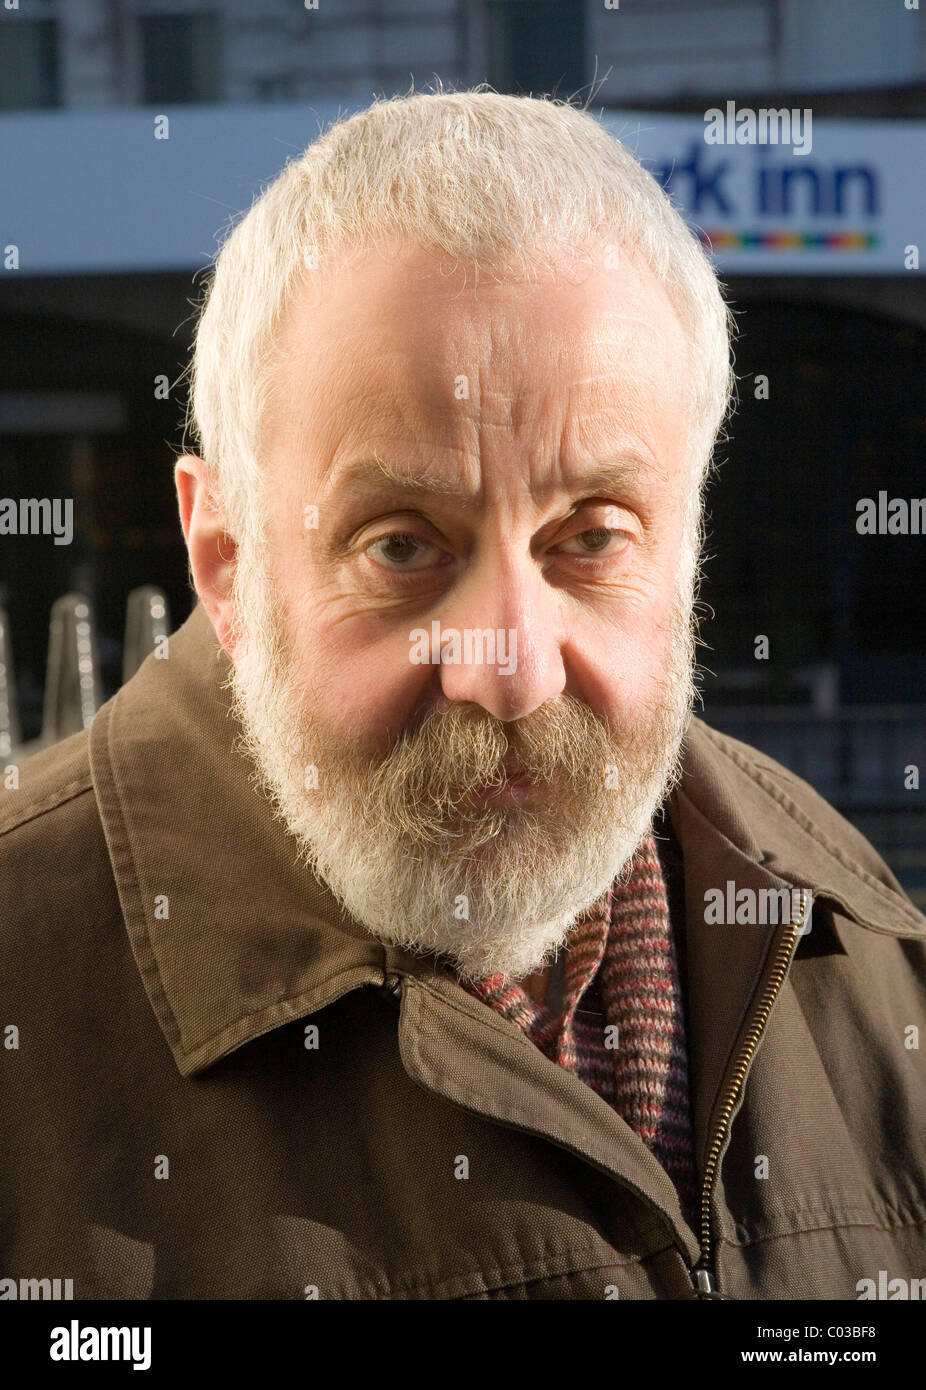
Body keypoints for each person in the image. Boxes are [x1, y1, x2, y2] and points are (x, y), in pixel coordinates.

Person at [2, 89, 924, 1302]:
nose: (509, 668)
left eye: (590, 536)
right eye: (401, 546)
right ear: (223, 561)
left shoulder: (861, 950)